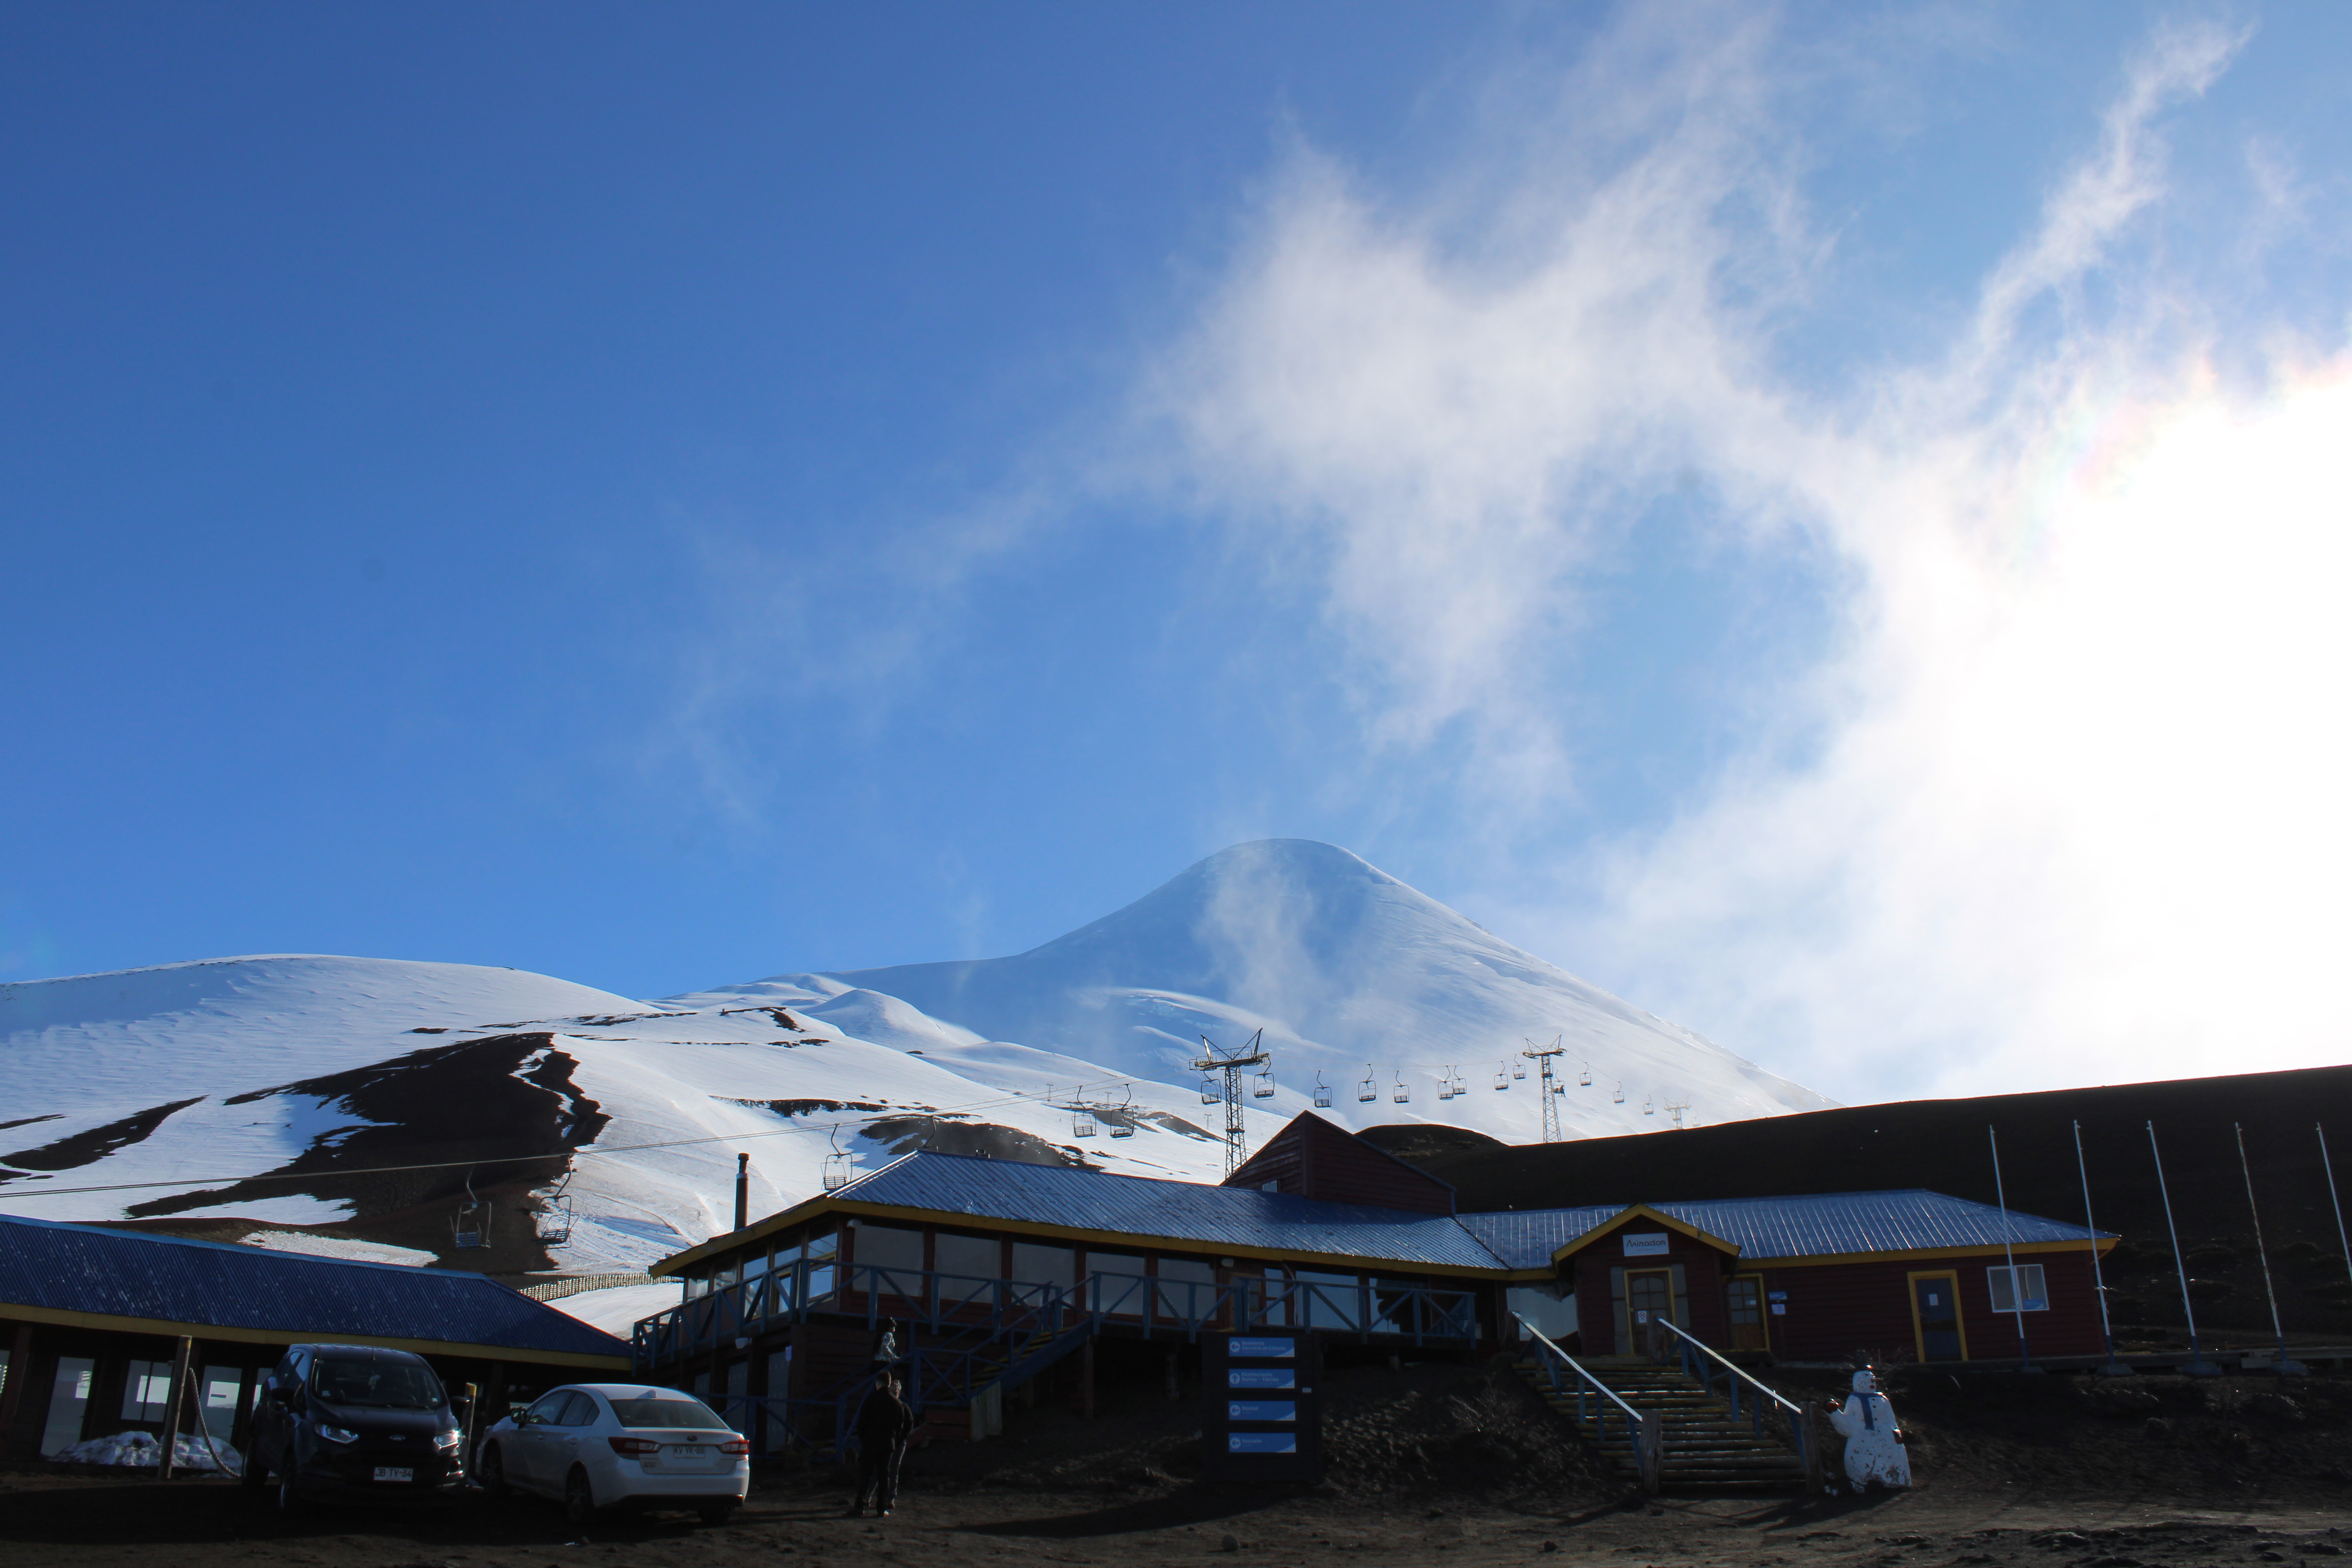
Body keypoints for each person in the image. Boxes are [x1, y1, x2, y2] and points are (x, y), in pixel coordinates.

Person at [1826, 1365, 1911, 1490]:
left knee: (1892, 1459)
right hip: (1862, 1438)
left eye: (1872, 1380)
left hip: (1886, 1437)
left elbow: (1891, 1419)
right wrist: (1834, 1413)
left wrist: (1896, 1431)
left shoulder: (1883, 1399)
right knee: (1864, 1462)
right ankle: (1862, 1483)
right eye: (1867, 1380)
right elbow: (1848, 1425)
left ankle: (1896, 1482)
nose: (1871, 1383)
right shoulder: (1854, 1400)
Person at [848, 1372, 915, 1518]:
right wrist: (895, 1441)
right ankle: (881, 1508)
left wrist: (864, 1439)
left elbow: (861, 1423)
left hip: (870, 1443)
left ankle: (860, 1506)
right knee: (885, 1476)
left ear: (878, 1384)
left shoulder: (870, 1400)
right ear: (889, 1384)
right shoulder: (898, 1404)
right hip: (888, 1445)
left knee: (866, 1475)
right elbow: (901, 1427)